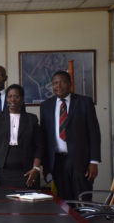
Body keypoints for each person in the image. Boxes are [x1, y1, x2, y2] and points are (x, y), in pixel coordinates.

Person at [40, 70, 101, 200]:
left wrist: (94, 162)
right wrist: (46, 165)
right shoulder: (46, 106)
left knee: (83, 200)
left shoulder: (85, 102)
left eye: (62, 82)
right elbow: (44, 137)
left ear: (70, 84)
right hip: (57, 162)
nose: (58, 86)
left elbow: (94, 134)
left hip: (81, 161)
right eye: (55, 83)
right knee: (63, 201)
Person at [0, 84, 43, 188]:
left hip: (27, 172)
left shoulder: (32, 119)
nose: (12, 99)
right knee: (3, 202)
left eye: (16, 96)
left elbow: (39, 146)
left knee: (28, 203)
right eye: (9, 96)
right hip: (2, 172)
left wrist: (36, 168)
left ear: (22, 99)